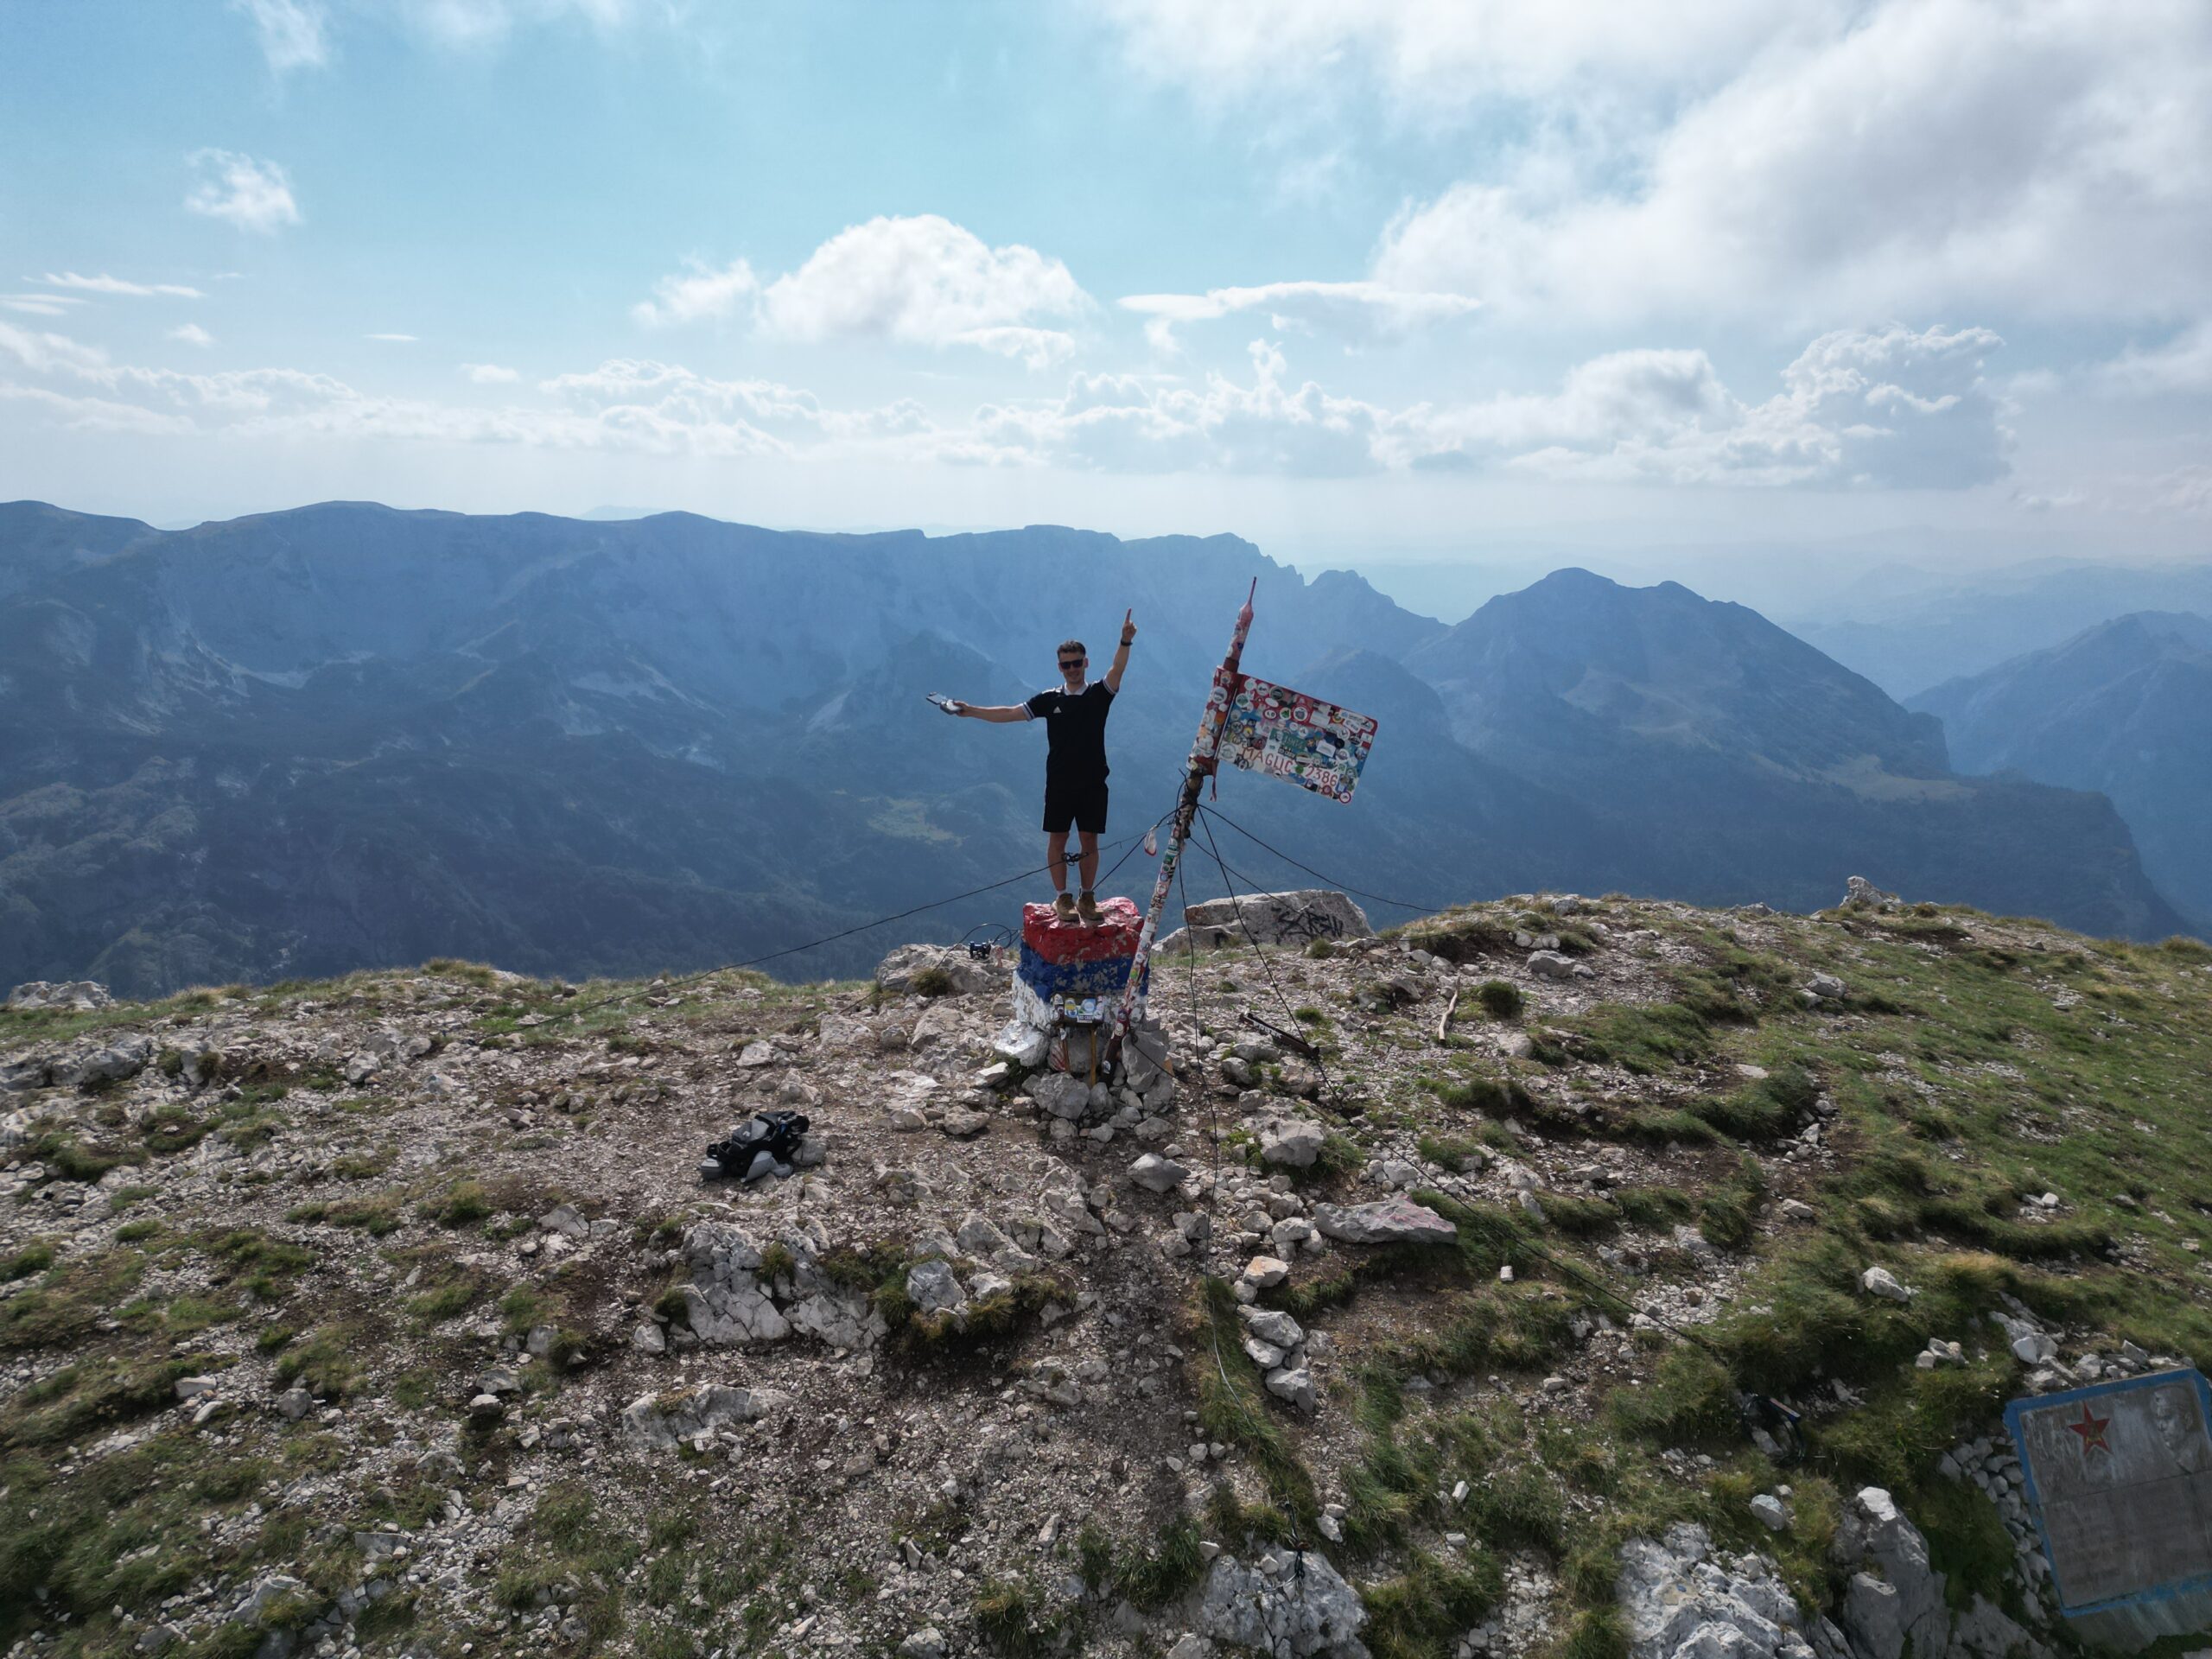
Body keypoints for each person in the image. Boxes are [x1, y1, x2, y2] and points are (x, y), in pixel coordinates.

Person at [944, 611, 1135, 922]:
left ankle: (1087, 897)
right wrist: (971, 711)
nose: (1072, 669)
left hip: (1093, 782)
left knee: (1090, 840)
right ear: (1059, 667)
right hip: (1059, 782)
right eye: (1066, 664)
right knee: (1057, 840)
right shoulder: (1049, 699)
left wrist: (1125, 640)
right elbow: (1009, 713)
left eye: (1077, 662)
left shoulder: (1101, 694)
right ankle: (1062, 898)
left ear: (1086, 663)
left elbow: (1118, 668)